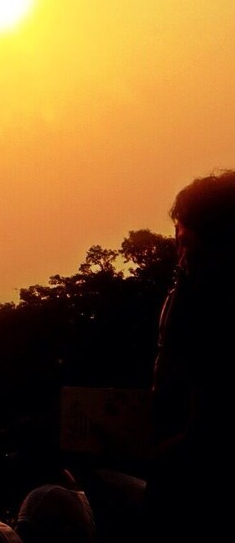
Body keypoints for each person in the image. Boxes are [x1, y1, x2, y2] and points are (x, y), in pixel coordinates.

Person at [148, 169, 235, 539]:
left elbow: (206, 430)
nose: (179, 258)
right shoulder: (186, 297)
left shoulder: (211, 309)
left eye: (185, 243)